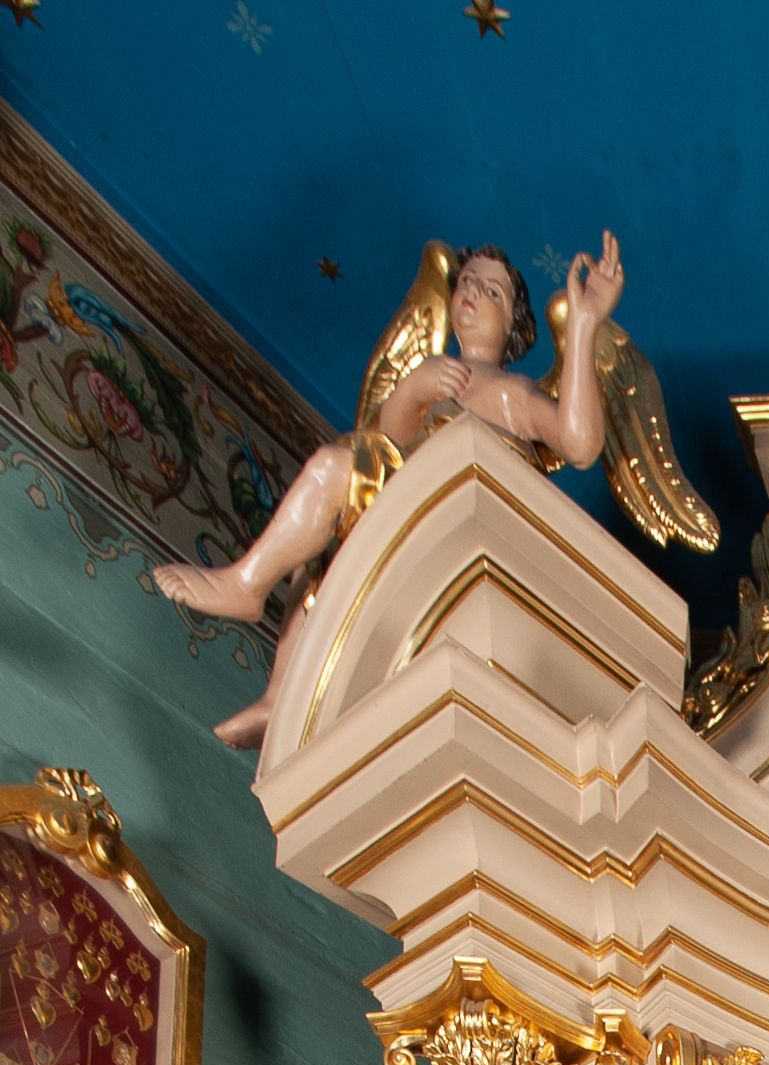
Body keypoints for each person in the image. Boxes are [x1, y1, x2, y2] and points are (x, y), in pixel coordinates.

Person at [150, 237, 626, 749]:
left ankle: (247, 583)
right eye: (467, 282)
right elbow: (391, 441)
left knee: (337, 465)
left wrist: (583, 324)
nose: (472, 291)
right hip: (418, 505)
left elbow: (580, 444)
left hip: (470, 513)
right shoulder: (434, 375)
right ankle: (280, 695)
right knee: (326, 543)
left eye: (491, 291)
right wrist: (414, 389)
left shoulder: (510, 393)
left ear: (513, 325)